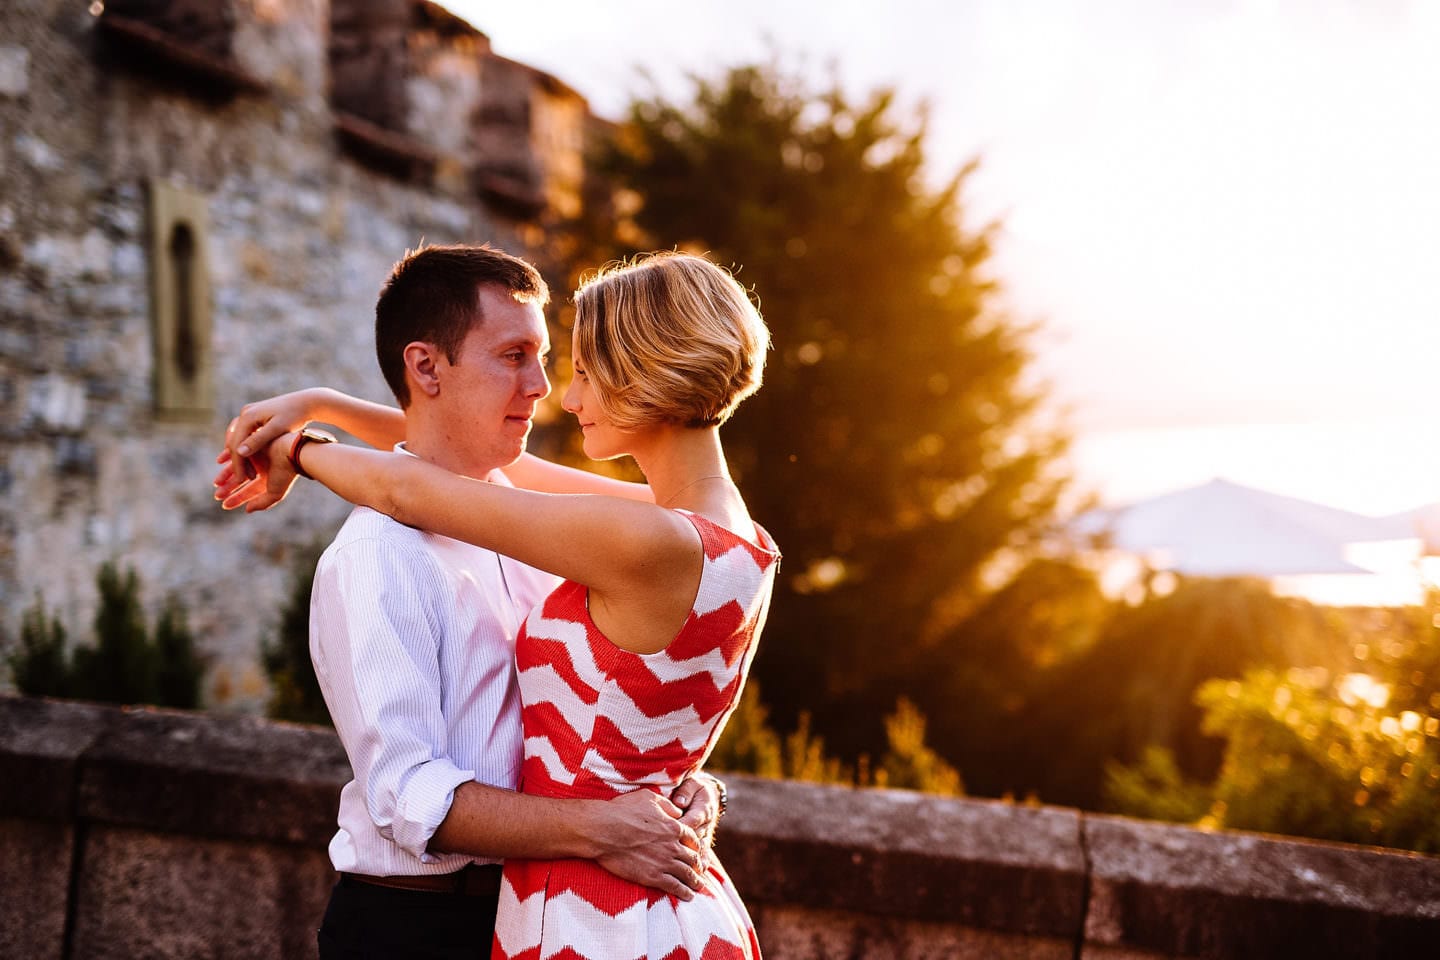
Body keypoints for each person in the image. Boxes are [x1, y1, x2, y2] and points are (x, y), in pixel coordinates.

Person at [220, 250, 776, 959]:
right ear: (426, 369)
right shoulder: (723, 531)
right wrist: (322, 407)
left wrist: (300, 448)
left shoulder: (623, 537)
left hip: (575, 910)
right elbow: (407, 793)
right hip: (425, 927)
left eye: (567, 366)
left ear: (645, 373)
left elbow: (418, 486)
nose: (555, 394)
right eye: (517, 356)